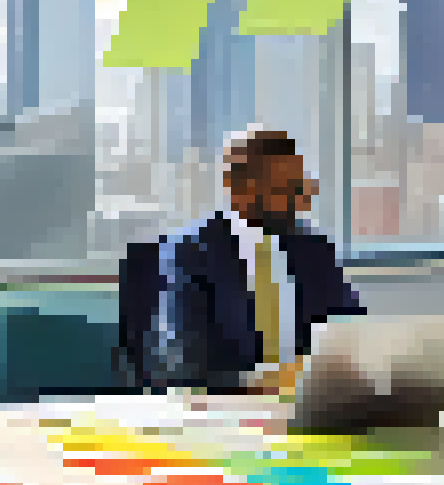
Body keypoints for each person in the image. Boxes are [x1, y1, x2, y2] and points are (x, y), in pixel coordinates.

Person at [116, 129, 363, 394]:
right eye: (287, 191)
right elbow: (186, 367)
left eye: (303, 188)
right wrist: (282, 379)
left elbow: (353, 333)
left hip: (311, 405)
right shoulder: (189, 254)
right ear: (238, 191)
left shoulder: (313, 248)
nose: (302, 202)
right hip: (227, 412)